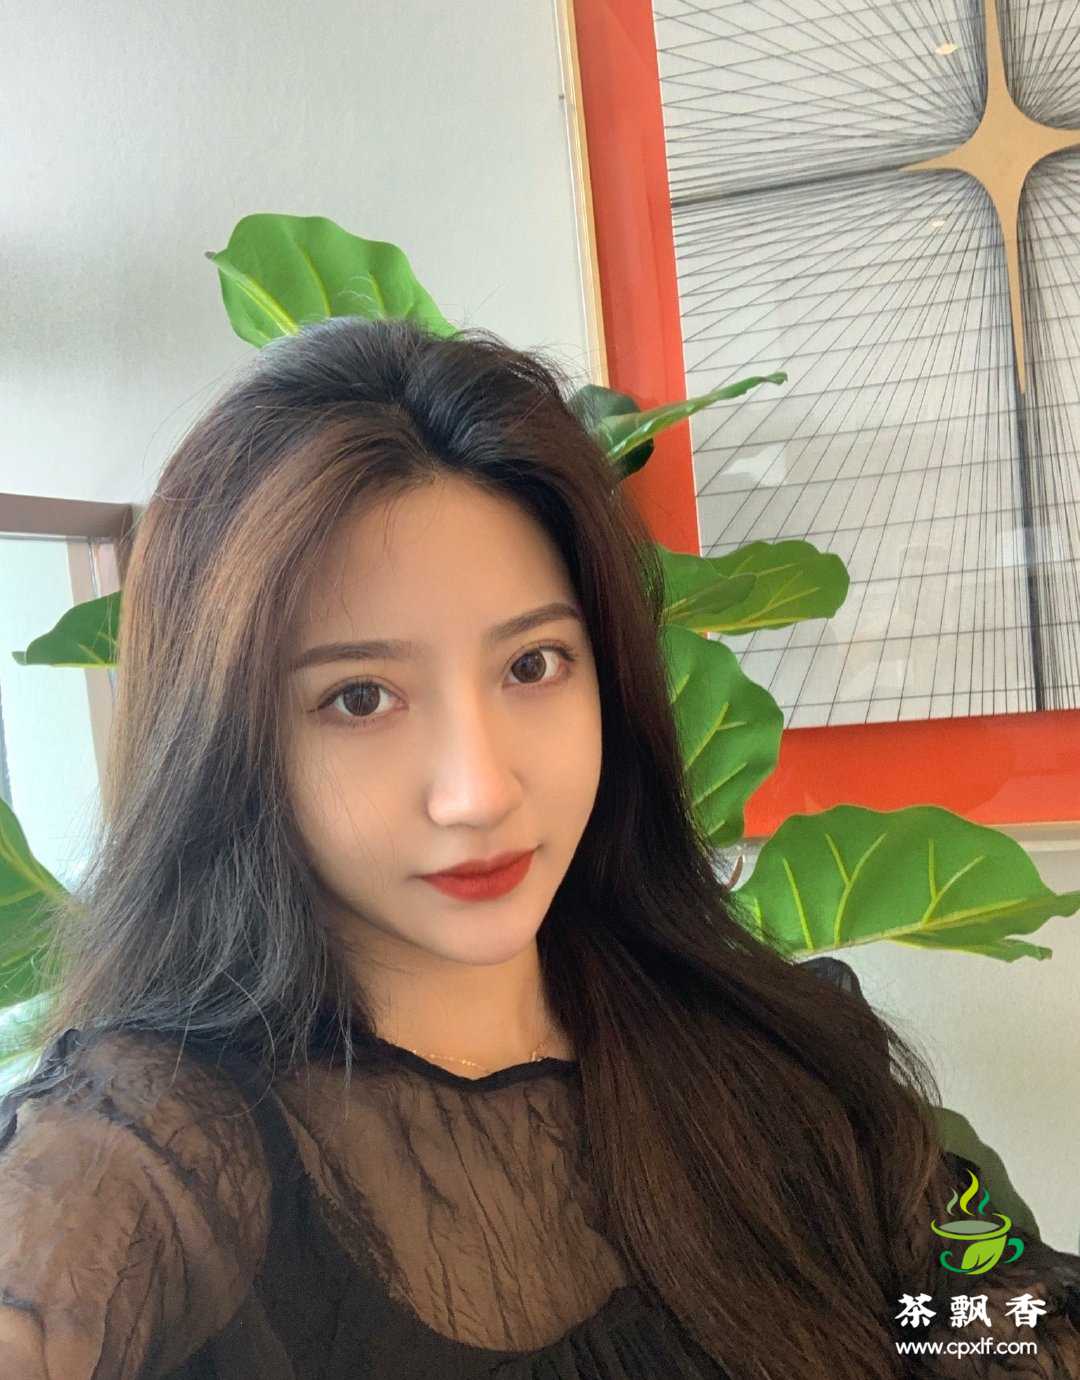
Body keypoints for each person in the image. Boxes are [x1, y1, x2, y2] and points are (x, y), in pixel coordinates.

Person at [0, 316, 1077, 1379]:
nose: (479, 792)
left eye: (532, 666)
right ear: (228, 741)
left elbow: (987, 1316)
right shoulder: (153, 1154)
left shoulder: (780, 1059)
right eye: (359, 697)